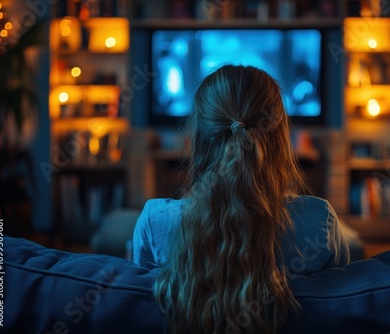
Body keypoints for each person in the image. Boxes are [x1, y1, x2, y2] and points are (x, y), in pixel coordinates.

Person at [132, 65, 349, 333]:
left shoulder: (155, 222)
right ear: (280, 137)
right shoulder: (320, 221)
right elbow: (342, 306)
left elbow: (140, 303)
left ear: (199, 134)